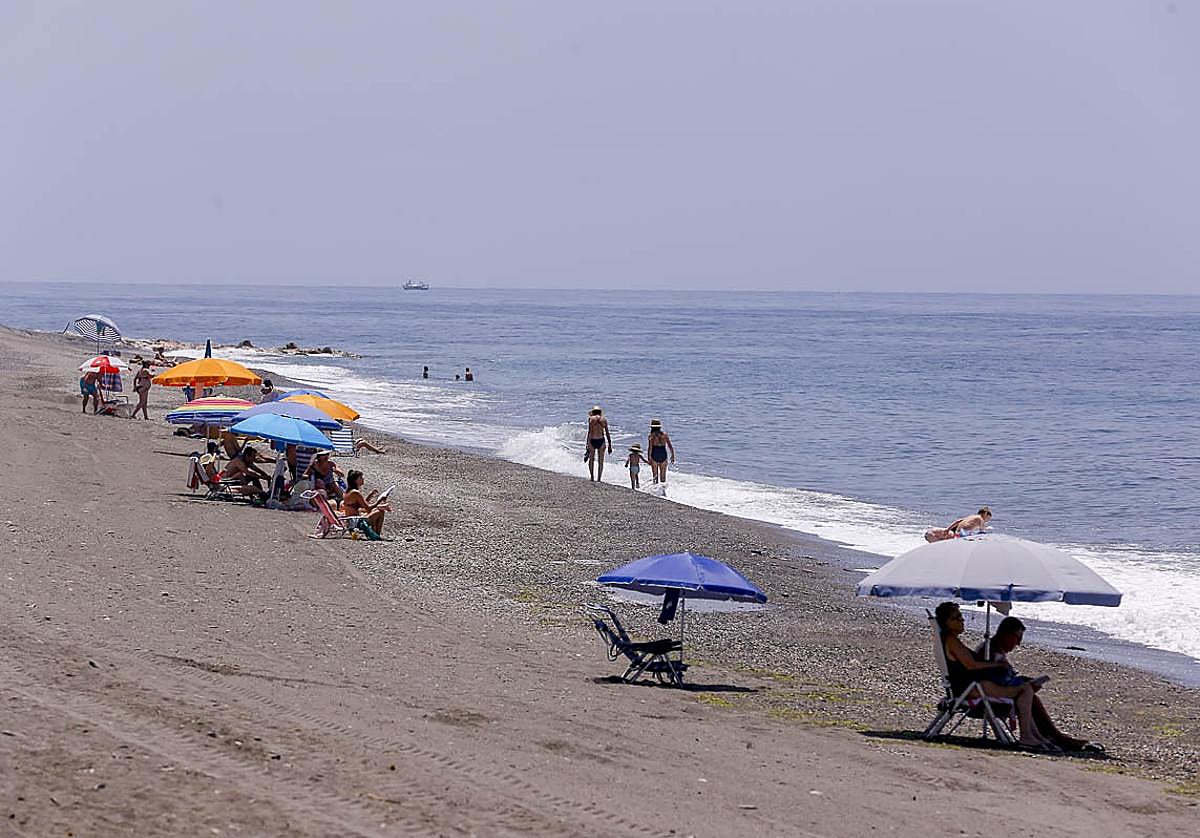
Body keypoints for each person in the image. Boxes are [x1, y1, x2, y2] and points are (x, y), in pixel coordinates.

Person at [935, 602, 1060, 752]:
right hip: (973, 688)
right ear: (946, 622)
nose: (962, 620)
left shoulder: (948, 640)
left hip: (969, 687)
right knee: (1025, 690)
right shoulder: (951, 641)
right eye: (957, 618)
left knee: (1025, 689)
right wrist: (997, 665)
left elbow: (970, 663)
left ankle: (1035, 736)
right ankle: (1027, 736)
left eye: (961, 616)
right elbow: (971, 665)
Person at [976, 617, 1101, 752]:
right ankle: (1054, 738)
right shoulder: (992, 653)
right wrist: (1023, 684)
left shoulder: (992, 649)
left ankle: (1053, 737)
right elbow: (997, 681)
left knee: (1030, 695)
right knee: (1029, 696)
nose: (1018, 643)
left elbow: (1000, 679)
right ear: (1006, 634)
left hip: (988, 692)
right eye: (1017, 638)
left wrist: (1023, 681)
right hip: (986, 697)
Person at [340, 469, 392, 536]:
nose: (363, 479)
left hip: (351, 520)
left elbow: (362, 505)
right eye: (360, 478)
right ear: (355, 480)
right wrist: (380, 500)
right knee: (380, 512)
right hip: (356, 522)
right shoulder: (355, 493)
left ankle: (374, 534)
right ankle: (376, 534)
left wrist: (370, 495)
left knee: (377, 509)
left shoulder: (348, 492)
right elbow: (368, 508)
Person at [584, 405, 612, 482]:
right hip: (601, 440)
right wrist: (610, 444)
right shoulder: (604, 420)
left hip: (592, 440)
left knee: (591, 459)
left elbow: (590, 432)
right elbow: (607, 433)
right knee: (601, 461)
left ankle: (592, 477)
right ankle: (599, 479)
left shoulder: (591, 419)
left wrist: (587, 443)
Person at [646, 419, 675, 485]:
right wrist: (672, 455)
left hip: (655, 454)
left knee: (655, 476)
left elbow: (650, 448)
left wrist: (649, 458)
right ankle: (662, 493)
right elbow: (670, 446)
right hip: (663, 454)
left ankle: (654, 491)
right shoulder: (664, 435)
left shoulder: (651, 436)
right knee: (663, 477)